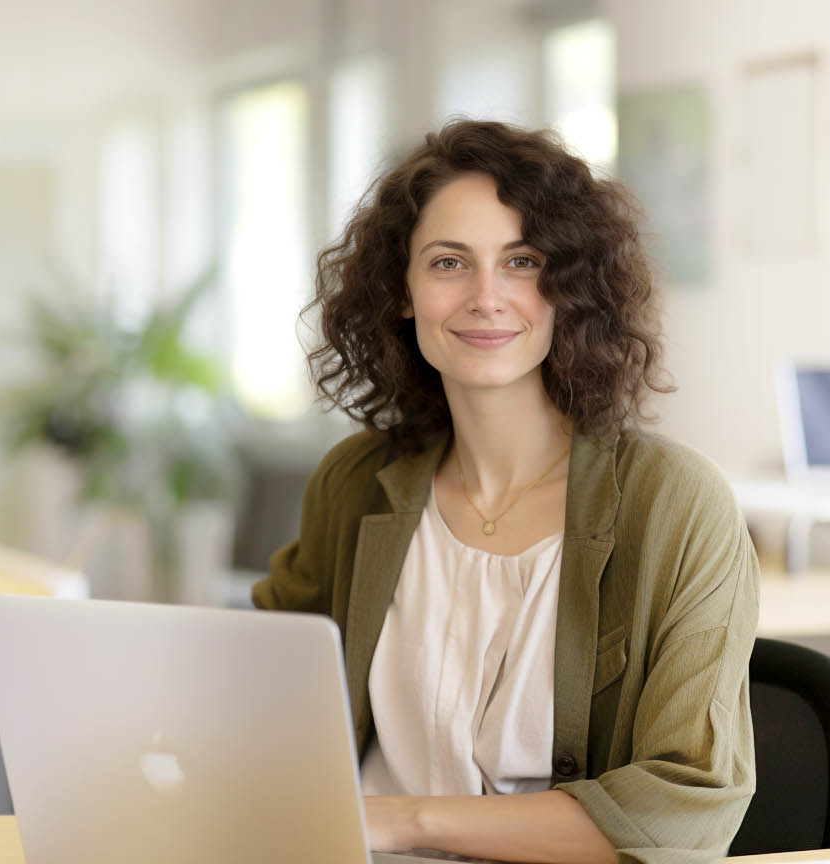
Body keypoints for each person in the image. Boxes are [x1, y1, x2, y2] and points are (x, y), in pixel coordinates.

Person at [252, 120, 758, 864]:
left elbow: (688, 811)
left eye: (521, 262)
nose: (487, 297)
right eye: (449, 262)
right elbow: (255, 703)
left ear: (570, 288)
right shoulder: (356, 483)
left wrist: (399, 821)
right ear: (402, 291)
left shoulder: (675, 504)